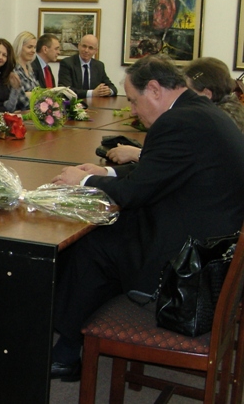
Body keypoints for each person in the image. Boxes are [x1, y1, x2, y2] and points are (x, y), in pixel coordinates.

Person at [49, 55, 244, 380]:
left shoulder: (178, 122)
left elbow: (135, 193)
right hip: (213, 244)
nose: (134, 111)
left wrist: (82, 180)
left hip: (189, 266)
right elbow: (162, 171)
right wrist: (107, 172)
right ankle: (69, 343)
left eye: (134, 101)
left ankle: (64, 351)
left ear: (154, 89)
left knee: (91, 243)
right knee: (109, 232)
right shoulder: (200, 112)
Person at [107, 56, 244, 164]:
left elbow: (183, 161)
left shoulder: (209, 122)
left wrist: (138, 154)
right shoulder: (224, 114)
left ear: (207, 94)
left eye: (188, 90)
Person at [57, 34, 117, 99]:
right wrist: (92, 93)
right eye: (84, 46)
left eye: (90, 48)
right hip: (72, 103)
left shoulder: (99, 66)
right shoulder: (67, 63)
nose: (86, 50)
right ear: (79, 46)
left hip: (94, 104)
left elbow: (113, 88)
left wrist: (108, 91)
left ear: (95, 51)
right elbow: (65, 90)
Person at [11, 31, 41, 109]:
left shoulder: (30, 70)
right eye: (29, 47)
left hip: (34, 112)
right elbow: (22, 101)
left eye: (34, 47)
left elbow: (41, 95)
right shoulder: (13, 69)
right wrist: (36, 95)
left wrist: (31, 94)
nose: (33, 51)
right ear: (19, 47)